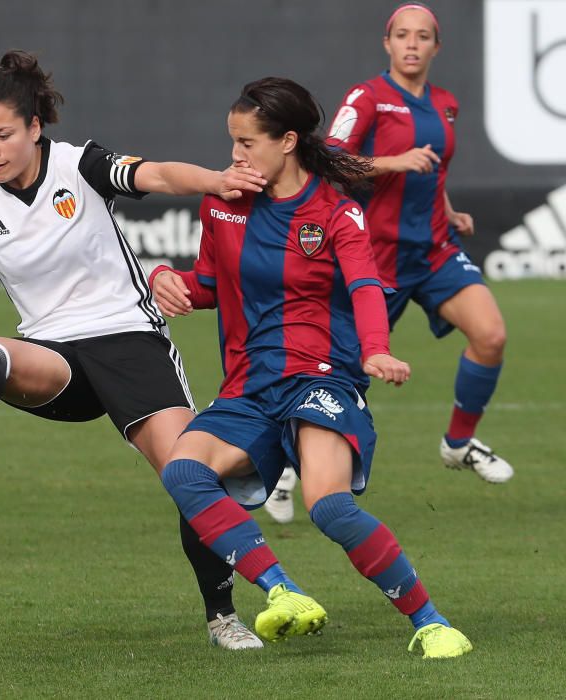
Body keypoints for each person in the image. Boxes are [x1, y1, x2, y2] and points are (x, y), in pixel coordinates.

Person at [0, 50, 271, 650]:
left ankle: (222, 616)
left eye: (3, 135)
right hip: (56, 356)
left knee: (189, 476)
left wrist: (217, 180)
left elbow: (159, 175)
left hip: (129, 341)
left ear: (35, 127)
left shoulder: (79, 165)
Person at [150, 76, 472, 658]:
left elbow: (367, 284)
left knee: (328, 505)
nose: (235, 156)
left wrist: (375, 347)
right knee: (182, 472)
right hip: (248, 387)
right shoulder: (222, 203)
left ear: (288, 140)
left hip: (320, 379)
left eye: (247, 143)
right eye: (232, 142)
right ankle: (283, 590)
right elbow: (207, 285)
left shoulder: (335, 210)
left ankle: (432, 622)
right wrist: (166, 281)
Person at [324, 2, 512, 484]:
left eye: (422, 36)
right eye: (403, 35)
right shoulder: (366, 97)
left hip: (433, 250)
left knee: (490, 335)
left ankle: (458, 443)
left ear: (436, 46)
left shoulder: (446, 102)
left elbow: (432, 169)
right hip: (375, 257)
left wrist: (448, 211)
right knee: (337, 371)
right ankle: (282, 464)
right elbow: (331, 162)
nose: (412, 43)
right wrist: (392, 162)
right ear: (387, 43)